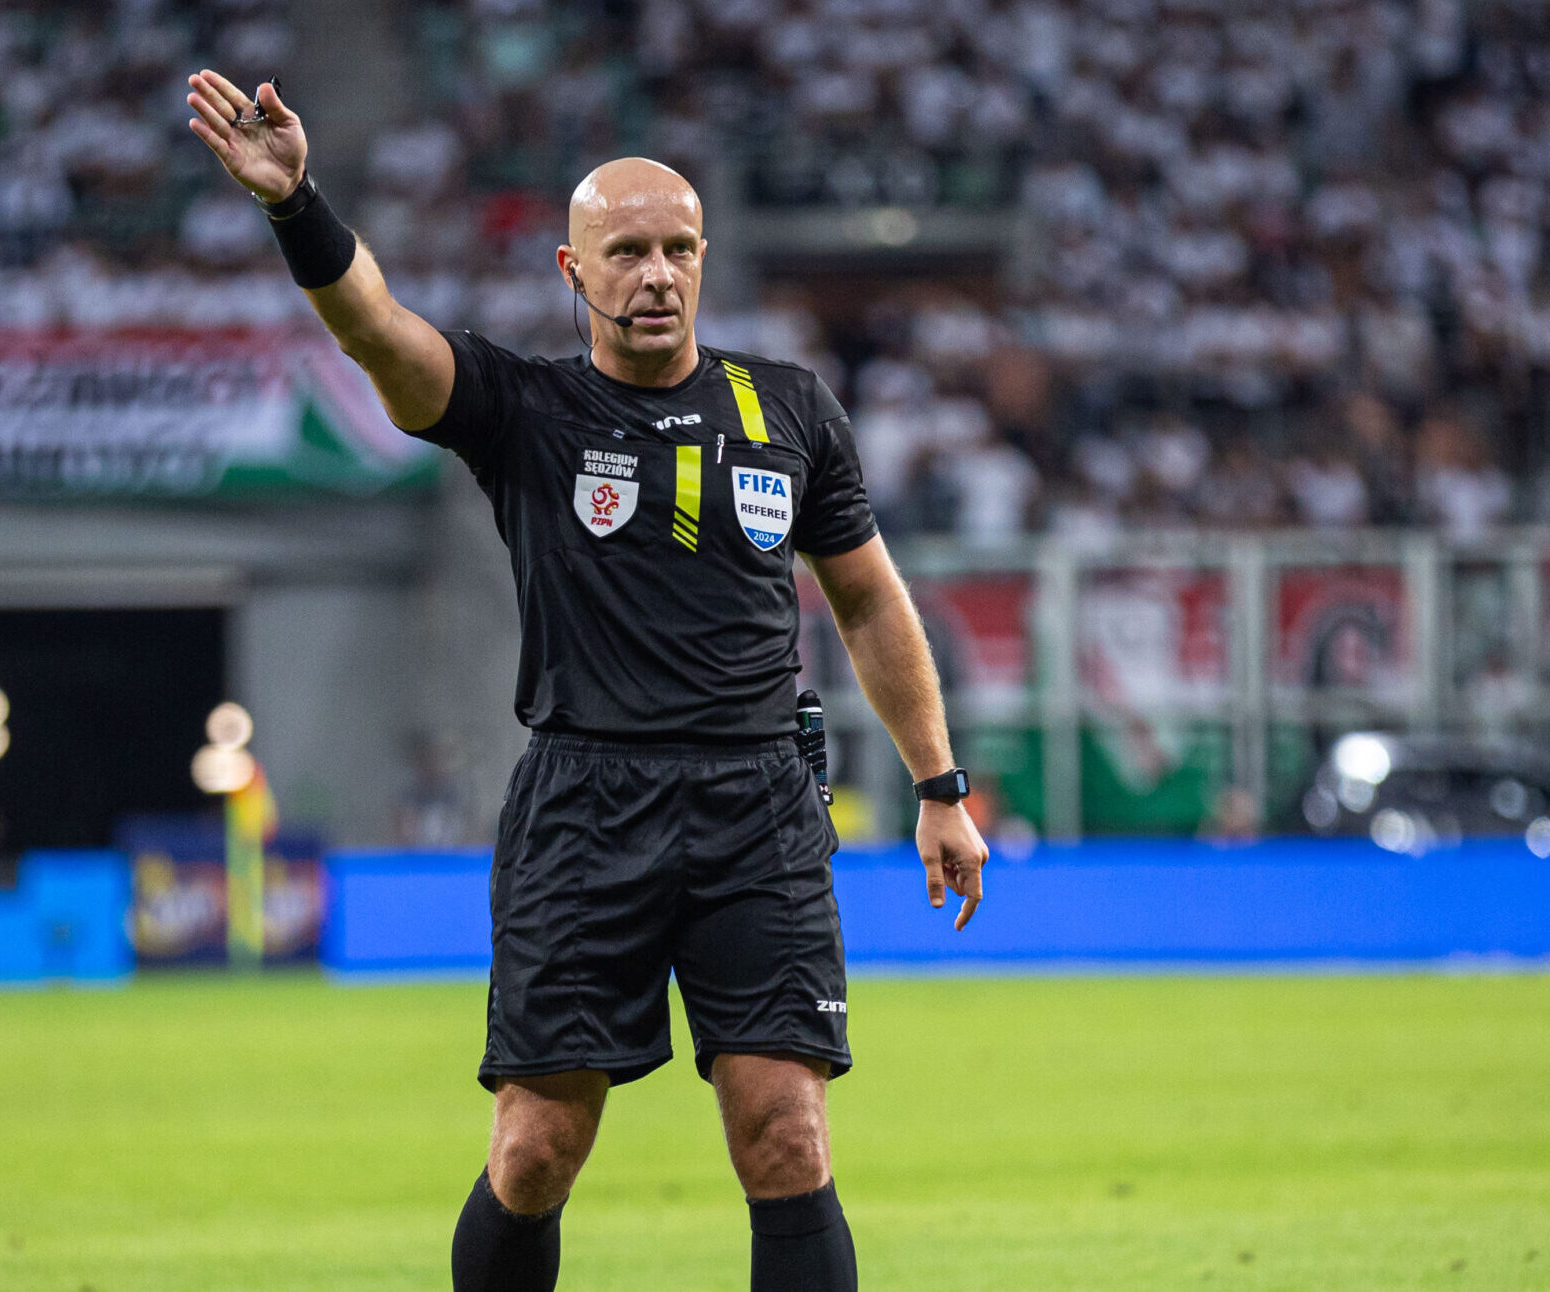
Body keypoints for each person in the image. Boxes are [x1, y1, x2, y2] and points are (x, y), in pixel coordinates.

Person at [187, 70, 989, 1292]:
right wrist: (298, 204)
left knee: (785, 1129)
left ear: (705, 258)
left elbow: (871, 597)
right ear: (575, 273)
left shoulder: (790, 410)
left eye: (676, 248)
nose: (656, 273)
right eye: (625, 252)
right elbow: (379, 333)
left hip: (760, 802)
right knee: (536, 1149)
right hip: (584, 804)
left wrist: (940, 782)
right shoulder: (525, 410)